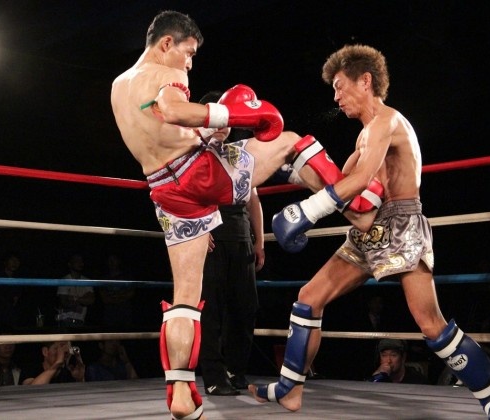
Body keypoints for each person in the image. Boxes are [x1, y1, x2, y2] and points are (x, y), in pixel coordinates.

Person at [110, 11, 374, 420]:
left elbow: (160, 130)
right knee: (291, 141)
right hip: (198, 175)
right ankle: (355, 204)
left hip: (164, 189)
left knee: (185, 298)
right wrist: (229, 116)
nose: (190, 63)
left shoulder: (119, 86)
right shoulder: (166, 74)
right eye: (188, 52)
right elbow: (172, 110)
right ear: (166, 43)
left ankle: (180, 392)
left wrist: (206, 132)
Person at [249, 44, 490, 420]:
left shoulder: (387, 122)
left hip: (402, 225)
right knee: (308, 298)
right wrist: (300, 171)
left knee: (431, 325)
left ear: (365, 81)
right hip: (369, 231)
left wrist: (306, 212)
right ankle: (289, 388)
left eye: (340, 86)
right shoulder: (363, 138)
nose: (336, 97)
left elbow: (358, 180)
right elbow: (348, 197)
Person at [196, 91, 263, 396]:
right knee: (210, 310)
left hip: (241, 236)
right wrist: (200, 228)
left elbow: (253, 199)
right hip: (210, 237)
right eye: (216, 117)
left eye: (226, 118)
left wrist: (259, 242)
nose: (222, 124)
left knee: (245, 308)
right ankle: (213, 376)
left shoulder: (242, 154)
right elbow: (182, 196)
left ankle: (236, 371)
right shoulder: (192, 152)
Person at [19, 341, 85, 385]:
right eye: (58, 349)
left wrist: (79, 379)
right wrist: (58, 362)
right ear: (45, 351)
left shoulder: (68, 373)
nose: (63, 353)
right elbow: (32, 390)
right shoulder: (30, 369)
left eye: (67, 350)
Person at [56, 254, 95, 327]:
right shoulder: (64, 280)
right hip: (64, 320)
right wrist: (83, 299)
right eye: (77, 261)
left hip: (80, 321)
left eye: (81, 261)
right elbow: (64, 302)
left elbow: (91, 300)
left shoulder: (87, 281)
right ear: (70, 264)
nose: (80, 263)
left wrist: (74, 298)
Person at [99, 254, 136, 329]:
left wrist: (118, 297)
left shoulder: (126, 277)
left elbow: (131, 293)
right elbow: (104, 298)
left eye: (114, 260)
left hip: (124, 312)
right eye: (110, 260)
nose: (111, 262)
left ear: (119, 261)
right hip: (109, 313)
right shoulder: (104, 278)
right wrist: (118, 298)